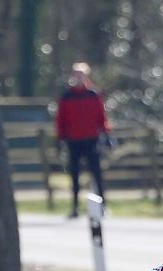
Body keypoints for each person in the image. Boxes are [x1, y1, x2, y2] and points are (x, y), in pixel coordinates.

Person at [56, 62, 110, 218]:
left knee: (96, 174)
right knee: (74, 174)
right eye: (75, 74)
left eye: (81, 74)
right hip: (73, 141)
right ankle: (75, 207)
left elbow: (102, 117)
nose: (78, 77)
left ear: (86, 76)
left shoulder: (93, 95)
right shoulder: (66, 97)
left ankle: (102, 206)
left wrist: (106, 134)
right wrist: (60, 139)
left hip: (91, 140)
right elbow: (61, 120)